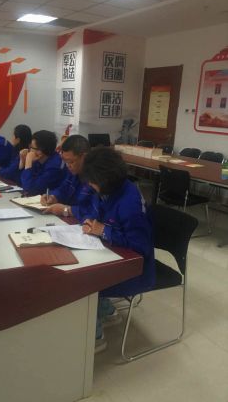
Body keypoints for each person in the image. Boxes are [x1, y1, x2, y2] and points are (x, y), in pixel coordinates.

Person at [79, 147, 154, 352]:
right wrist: (91, 222)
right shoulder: (107, 191)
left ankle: (95, 338)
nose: (89, 184)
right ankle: (108, 311)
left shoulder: (129, 203)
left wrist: (104, 230)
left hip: (136, 269)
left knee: (83, 283)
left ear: (105, 180)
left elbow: (140, 247)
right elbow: (94, 211)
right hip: (110, 253)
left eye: (92, 181)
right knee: (80, 269)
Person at [41, 135, 94, 220]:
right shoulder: (73, 172)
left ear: (84, 157)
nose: (68, 166)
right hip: (70, 221)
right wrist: (53, 197)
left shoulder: (96, 178)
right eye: (65, 161)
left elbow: (94, 210)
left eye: (71, 162)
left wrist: (67, 210)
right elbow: (63, 189)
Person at [20, 130, 65, 195]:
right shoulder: (39, 160)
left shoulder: (54, 166)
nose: (29, 150)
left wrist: (28, 162)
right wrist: (22, 160)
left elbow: (30, 189)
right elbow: (21, 181)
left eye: (32, 147)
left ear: (41, 150)